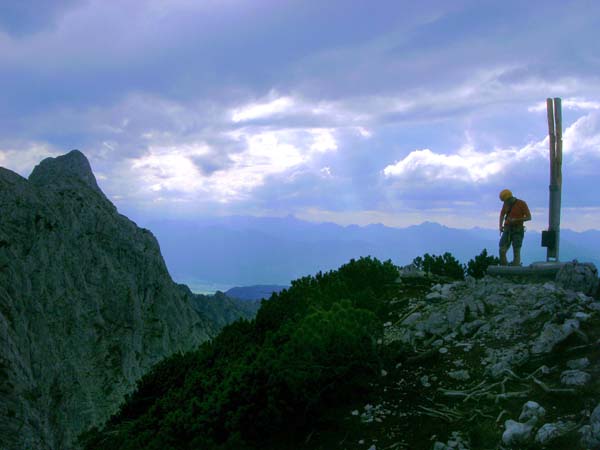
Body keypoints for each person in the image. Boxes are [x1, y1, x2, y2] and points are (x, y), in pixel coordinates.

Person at [498, 189, 531, 266]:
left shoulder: (522, 204)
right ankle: (504, 267)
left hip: (518, 230)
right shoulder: (505, 204)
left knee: (516, 250)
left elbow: (529, 217)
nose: (505, 203)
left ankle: (515, 268)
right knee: (502, 250)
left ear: (510, 198)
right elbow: (502, 215)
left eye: (506, 201)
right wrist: (500, 226)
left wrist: (516, 220)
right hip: (507, 229)